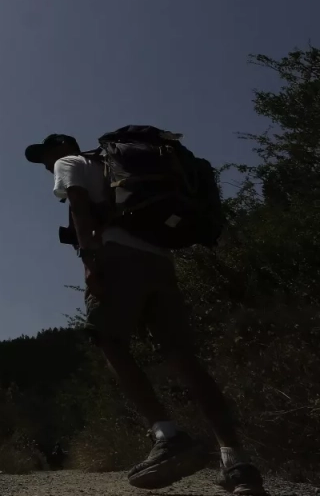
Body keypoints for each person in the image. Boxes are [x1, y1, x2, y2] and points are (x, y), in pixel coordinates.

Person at [25, 134, 265, 495]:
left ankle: (167, 434)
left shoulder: (70, 163)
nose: (45, 164)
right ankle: (236, 460)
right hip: (160, 262)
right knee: (184, 358)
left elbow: (79, 207)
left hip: (116, 257)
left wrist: (91, 261)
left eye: (45, 155)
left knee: (108, 340)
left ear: (63, 145)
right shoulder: (114, 167)